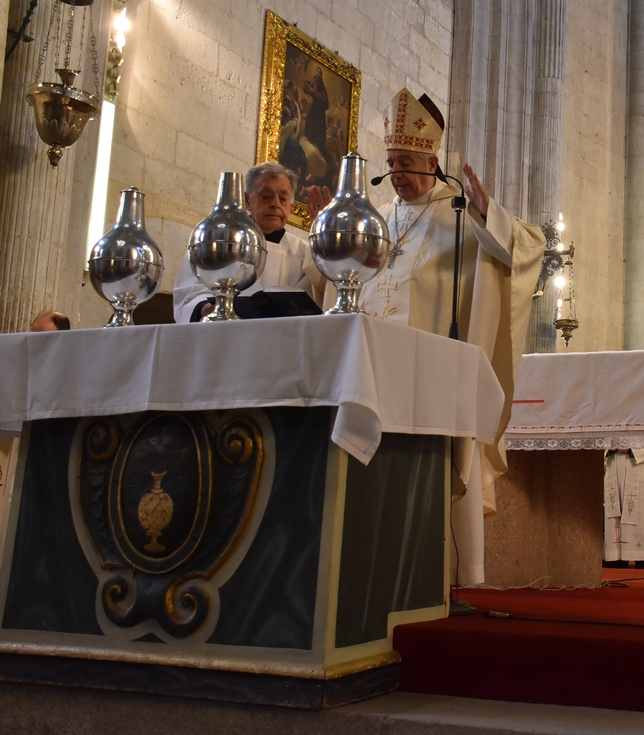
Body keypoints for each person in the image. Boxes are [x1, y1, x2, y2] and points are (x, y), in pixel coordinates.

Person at [307, 88, 544, 586]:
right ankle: (366, 575)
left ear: (433, 161)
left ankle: (456, 577)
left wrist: (486, 214)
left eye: (408, 162)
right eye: (391, 162)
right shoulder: (375, 221)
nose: (398, 173)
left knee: (444, 472)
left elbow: (526, 248)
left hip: (429, 376)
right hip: (370, 371)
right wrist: (326, 232)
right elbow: (335, 286)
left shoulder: (457, 211)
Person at [173, 162, 322, 322]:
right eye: (266, 196)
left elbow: (317, 296)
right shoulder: (218, 240)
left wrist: (324, 237)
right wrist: (206, 309)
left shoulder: (304, 252)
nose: (275, 204)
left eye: (283, 198)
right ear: (247, 201)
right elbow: (188, 293)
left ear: (290, 206)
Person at [604, 449, 644, 566]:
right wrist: (609, 446)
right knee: (614, 512)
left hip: (637, 467)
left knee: (640, 514)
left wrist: (631, 449)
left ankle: (643, 557)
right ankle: (616, 556)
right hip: (614, 466)